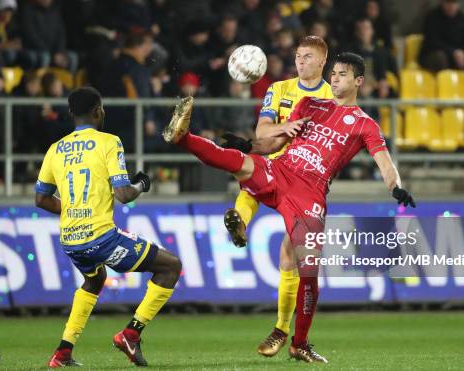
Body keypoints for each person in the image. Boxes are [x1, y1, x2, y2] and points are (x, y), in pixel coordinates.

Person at [163, 52, 415, 363]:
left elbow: (385, 162)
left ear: (358, 81)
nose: (334, 78)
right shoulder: (311, 106)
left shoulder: (365, 125)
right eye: (333, 73)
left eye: (342, 74)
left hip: (309, 194)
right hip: (281, 170)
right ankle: (183, 138)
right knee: (239, 163)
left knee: (307, 270)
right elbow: (274, 143)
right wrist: (248, 146)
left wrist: (397, 187)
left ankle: (300, 343)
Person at [36, 87, 182, 368]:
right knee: (171, 266)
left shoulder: (55, 149)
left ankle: (62, 352)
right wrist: (142, 184)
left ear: (71, 114)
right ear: (99, 111)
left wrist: (71, 208)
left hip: (70, 239)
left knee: (94, 279)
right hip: (101, 237)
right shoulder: (108, 142)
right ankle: (131, 334)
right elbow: (124, 194)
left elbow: (41, 199)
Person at [223, 35, 333, 358]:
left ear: (322, 61)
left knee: (290, 256)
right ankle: (238, 223)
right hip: (273, 167)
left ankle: (282, 329)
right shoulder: (279, 90)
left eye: (308, 57)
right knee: (250, 179)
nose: (300, 61)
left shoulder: (332, 97)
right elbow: (262, 132)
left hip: (304, 183)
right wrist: (288, 128)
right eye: (298, 56)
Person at [418, 0, 464, 94]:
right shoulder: (432, 17)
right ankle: (444, 93)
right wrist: (453, 52)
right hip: (433, 55)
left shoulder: (462, 18)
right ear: (441, 3)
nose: (451, 6)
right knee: (440, 58)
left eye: (453, 3)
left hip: (457, 57)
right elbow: (432, 42)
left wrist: (463, 53)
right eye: (448, 3)